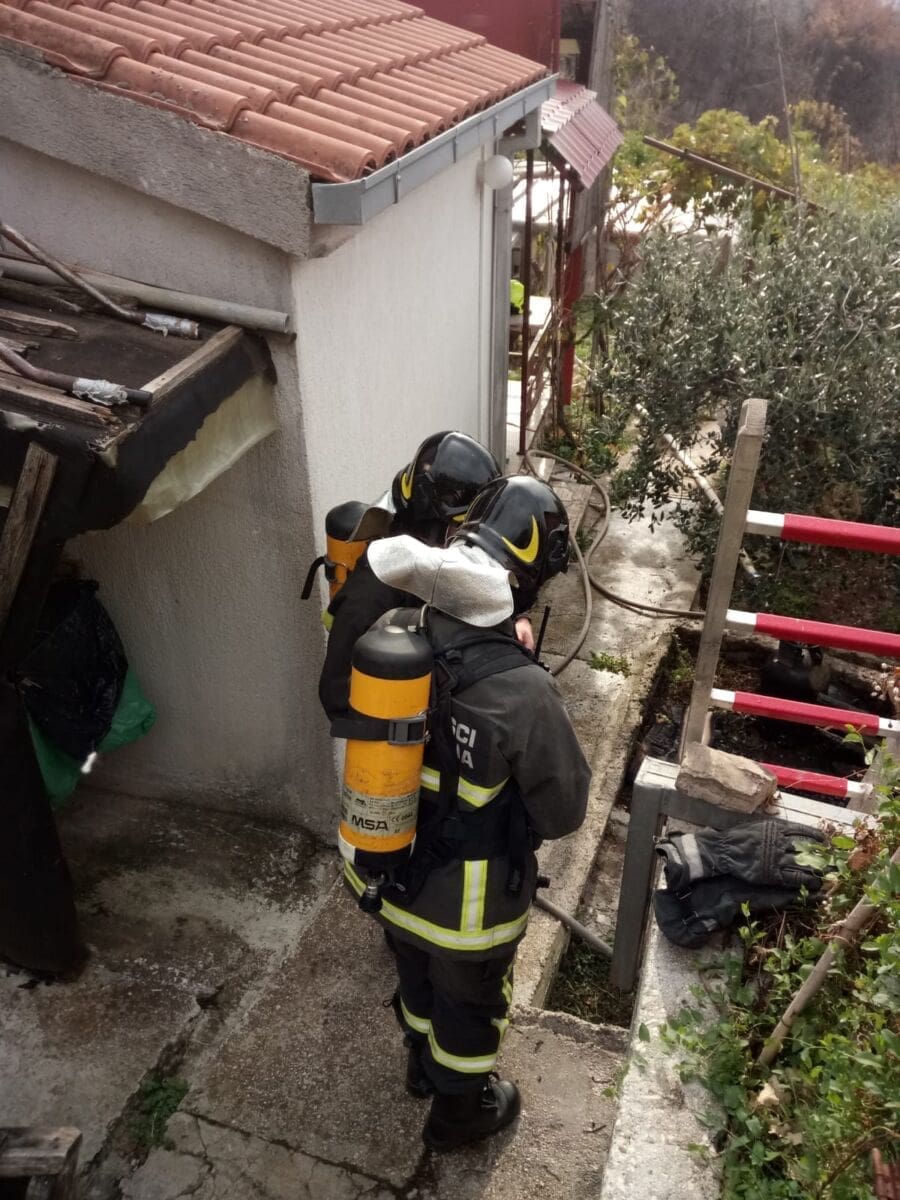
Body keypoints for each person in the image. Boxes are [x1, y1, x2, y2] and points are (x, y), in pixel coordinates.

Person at [341, 475, 591, 1151]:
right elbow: (563, 812)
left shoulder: (397, 630)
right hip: (467, 911)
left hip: (387, 872)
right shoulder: (524, 691)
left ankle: (420, 1068)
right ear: (530, 575)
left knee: (416, 978)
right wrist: (524, 673)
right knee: (471, 1006)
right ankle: (459, 1112)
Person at [318, 431, 502, 722]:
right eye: (462, 529)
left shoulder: (434, 567)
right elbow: (336, 694)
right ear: (432, 523)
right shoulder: (372, 591)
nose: (468, 544)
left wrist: (519, 618)